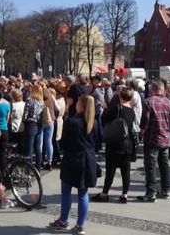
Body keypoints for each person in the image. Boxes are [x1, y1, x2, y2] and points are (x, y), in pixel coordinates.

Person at [48, 95, 97, 235]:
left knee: (66, 191)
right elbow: (98, 142)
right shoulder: (93, 122)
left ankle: (63, 220)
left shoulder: (72, 121)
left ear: (80, 105)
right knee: (83, 193)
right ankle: (80, 225)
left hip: (73, 158)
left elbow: (64, 143)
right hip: (88, 159)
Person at [92, 88, 137, 204]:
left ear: (120, 97)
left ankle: (105, 193)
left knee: (110, 169)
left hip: (114, 142)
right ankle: (124, 194)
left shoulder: (116, 108)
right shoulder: (132, 111)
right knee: (125, 170)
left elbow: (104, 119)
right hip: (128, 144)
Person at [137, 81, 170, 202]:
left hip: (152, 138)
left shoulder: (149, 102)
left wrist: (142, 131)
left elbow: (145, 121)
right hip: (165, 138)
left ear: (152, 90)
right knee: (164, 165)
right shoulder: (169, 103)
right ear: (163, 90)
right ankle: (166, 190)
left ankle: (151, 192)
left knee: (150, 166)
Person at [22, 84, 45, 170]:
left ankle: (28, 169)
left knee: (29, 148)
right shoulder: (41, 102)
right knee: (37, 147)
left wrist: (23, 122)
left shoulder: (29, 100)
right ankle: (38, 168)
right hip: (39, 124)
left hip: (30, 124)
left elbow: (26, 114)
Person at [53, 83, 67, 166]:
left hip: (58, 120)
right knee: (57, 139)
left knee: (56, 140)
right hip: (59, 120)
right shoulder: (62, 100)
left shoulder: (59, 101)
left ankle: (57, 156)